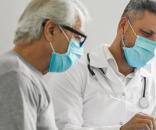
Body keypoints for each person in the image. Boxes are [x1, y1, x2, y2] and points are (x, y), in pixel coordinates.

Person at [47, 0, 156, 130]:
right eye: (147, 34)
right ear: (123, 25)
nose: (153, 46)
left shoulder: (152, 85)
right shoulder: (74, 72)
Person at [0, 0, 89, 130]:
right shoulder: (15, 75)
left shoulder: (29, 76)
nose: (79, 48)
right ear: (51, 30)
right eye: (77, 37)